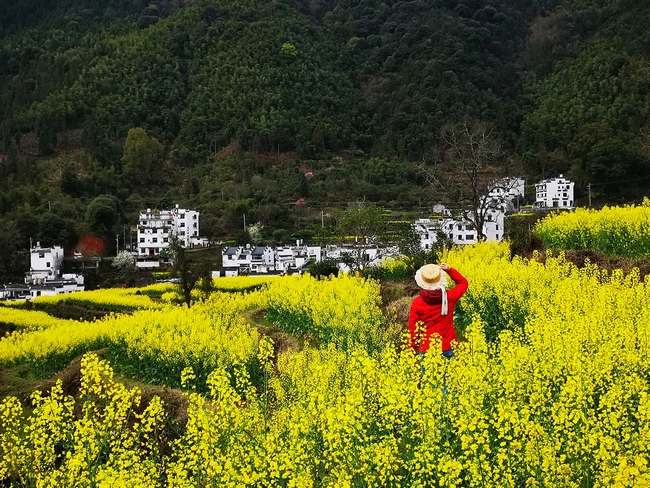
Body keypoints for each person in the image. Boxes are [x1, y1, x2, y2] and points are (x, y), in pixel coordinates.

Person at [407, 262, 468, 360]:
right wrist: (449, 270)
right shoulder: (450, 297)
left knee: (429, 375)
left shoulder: (417, 302)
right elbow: (463, 283)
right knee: (452, 375)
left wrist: (411, 350)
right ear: (440, 280)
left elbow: (413, 328)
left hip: (427, 348)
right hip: (448, 345)